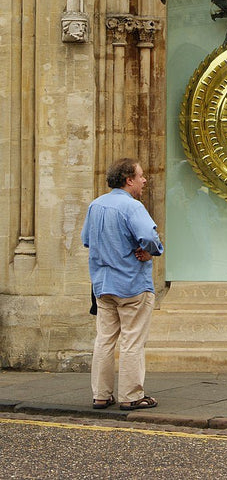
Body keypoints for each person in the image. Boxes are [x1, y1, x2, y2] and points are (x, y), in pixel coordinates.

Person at [81, 157, 164, 411]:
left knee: (104, 340)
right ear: (129, 180)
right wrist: (152, 251)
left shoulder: (95, 206)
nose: (144, 180)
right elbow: (149, 237)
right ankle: (131, 395)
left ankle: (101, 395)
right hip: (131, 284)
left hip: (103, 284)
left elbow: (86, 240)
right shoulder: (133, 207)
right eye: (140, 176)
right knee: (132, 340)